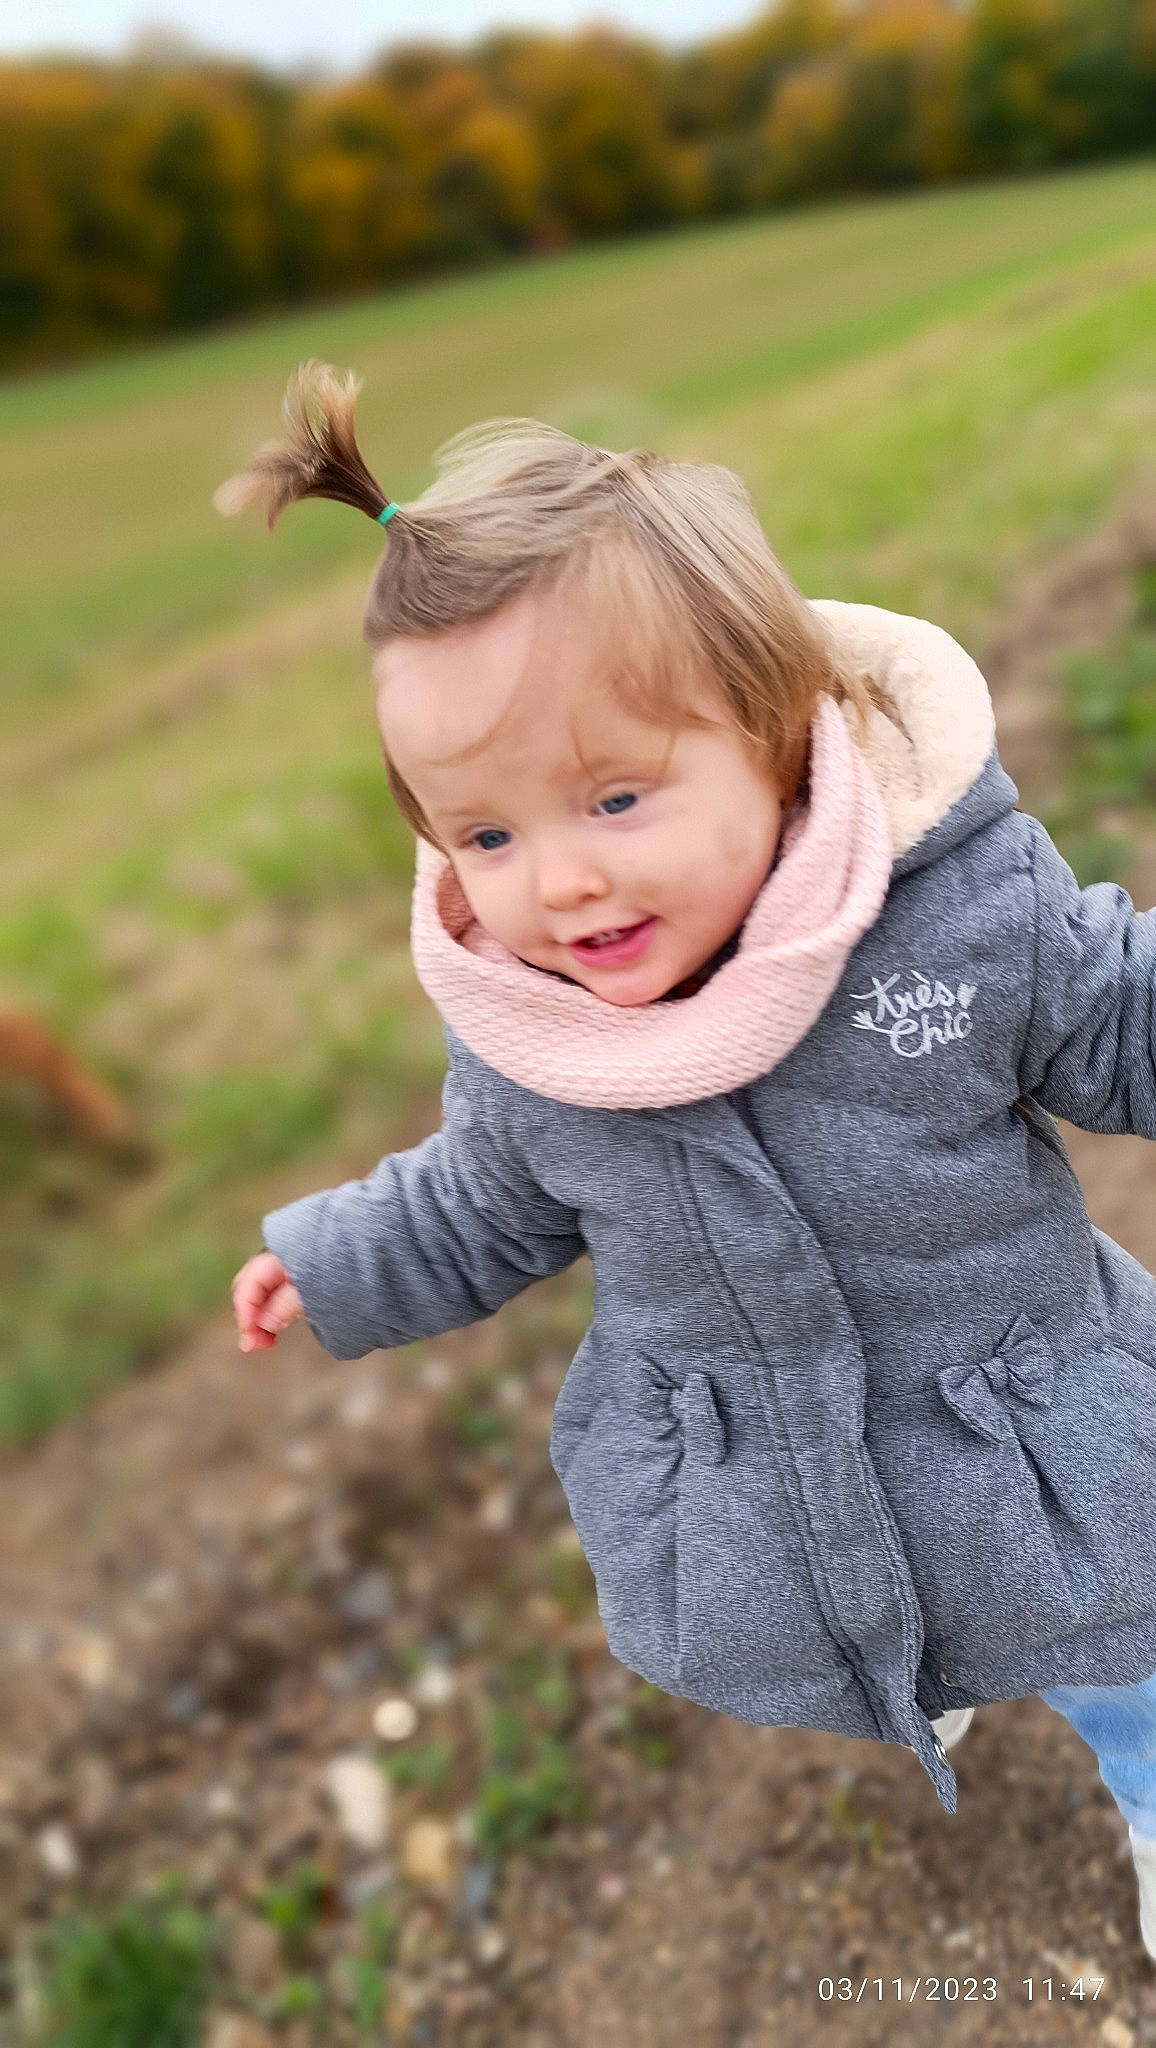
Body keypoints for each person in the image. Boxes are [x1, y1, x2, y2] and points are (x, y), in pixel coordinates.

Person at [222, 360, 1156, 1958]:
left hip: (1017, 1421)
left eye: (615, 797)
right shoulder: (534, 1033)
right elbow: (480, 1201)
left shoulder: (954, 914)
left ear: (778, 742)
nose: (561, 883)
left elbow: (1115, 1018)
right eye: (488, 836)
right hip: (773, 1472)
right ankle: (930, 1665)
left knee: (1121, 1641)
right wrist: (337, 1261)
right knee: (891, 1619)